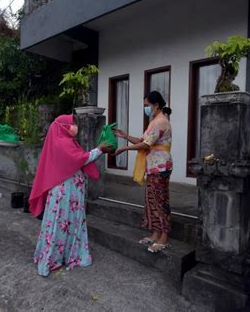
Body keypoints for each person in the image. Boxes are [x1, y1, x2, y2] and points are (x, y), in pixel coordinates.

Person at [30, 114, 111, 277]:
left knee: (70, 220)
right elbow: (81, 159)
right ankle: (54, 258)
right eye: (72, 123)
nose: (75, 126)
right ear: (63, 126)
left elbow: (80, 160)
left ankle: (65, 254)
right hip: (64, 190)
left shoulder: (66, 142)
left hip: (70, 190)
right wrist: (99, 149)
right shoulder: (62, 143)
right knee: (62, 221)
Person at [113, 91, 173, 253]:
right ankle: (155, 233)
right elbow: (142, 141)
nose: (145, 108)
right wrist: (124, 136)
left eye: (147, 105)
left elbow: (146, 145)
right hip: (153, 166)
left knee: (160, 201)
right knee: (151, 201)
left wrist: (124, 148)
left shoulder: (161, 122)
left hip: (160, 166)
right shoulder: (154, 121)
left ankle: (164, 237)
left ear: (156, 105)